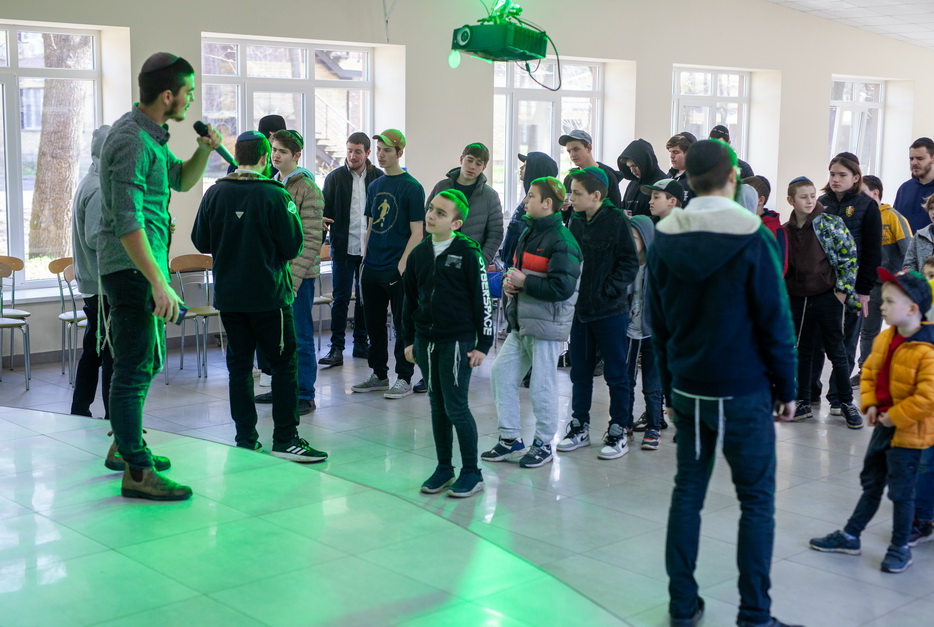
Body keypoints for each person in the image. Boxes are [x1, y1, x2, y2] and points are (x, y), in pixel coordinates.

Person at [646, 140, 798, 627]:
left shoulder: (664, 236)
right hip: (743, 391)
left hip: (689, 390)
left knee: (687, 493)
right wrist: (788, 389)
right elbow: (775, 321)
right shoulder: (754, 236)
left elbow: (658, 325)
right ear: (732, 177)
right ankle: (754, 615)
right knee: (755, 502)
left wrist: (670, 389)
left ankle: (682, 606)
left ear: (689, 181)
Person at [98, 52, 222, 501]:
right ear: (168, 95)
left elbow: (181, 181)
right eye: (188, 91)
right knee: (134, 366)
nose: (191, 98)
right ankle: (136, 469)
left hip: (143, 266)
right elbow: (127, 221)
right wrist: (157, 281)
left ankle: (125, 443)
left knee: (146, 360)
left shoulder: (150, 136)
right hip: (132, 268)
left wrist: (204, 150)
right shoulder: (131, 140)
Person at [192, 130, 327, 463]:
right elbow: (293, 246)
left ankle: (245, 438)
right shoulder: (275, 194)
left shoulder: (214, 193)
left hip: (230, 297)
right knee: (283, 366)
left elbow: (201, 241)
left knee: (239, 367)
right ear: (266, 158)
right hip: (270, 297)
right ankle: (285, 439)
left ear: (237, 156)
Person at [809, 269, 934, 574]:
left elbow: (927, 397)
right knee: (872, 483)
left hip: (910, 434)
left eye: (890, 301)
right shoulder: (886, 337)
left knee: (902, 493)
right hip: (883, 427)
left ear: (912, 309)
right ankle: (851, 535)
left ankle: (900, 547)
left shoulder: (927, 348)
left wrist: (895, 416)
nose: (882, 306)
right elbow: (869, 374)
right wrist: (871, 404)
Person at [482, 176, 582, 468]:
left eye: (531, 196)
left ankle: (543, 443)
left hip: (546, 326)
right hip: (522, 321)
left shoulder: (563, 241)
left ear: (547, 203)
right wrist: (510, 282)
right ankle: (510, 438)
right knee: (501, 373)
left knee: (542, 385)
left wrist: (524, 283)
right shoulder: (529, 231)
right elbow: (517, 269)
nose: (526, 201)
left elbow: (563, 288)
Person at [402, 189, 493, 498]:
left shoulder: (468, 253)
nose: (431, 215)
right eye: (431, 209)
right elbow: (408, 301)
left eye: (440, 213)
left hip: (458, 341)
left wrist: (484, 344)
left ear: (456, 224)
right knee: (437, 405)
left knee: (456, 406)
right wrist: (409, 341)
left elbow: (483, 300)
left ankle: (472, 472)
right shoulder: (419, 254)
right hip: (426, 341)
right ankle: (444, 467)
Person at [556, 167, 638, 460]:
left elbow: (629, 262)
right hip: (581, 310)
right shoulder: (576, 219)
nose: (571, 198)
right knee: (580, 371)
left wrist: (609, 289)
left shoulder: (616, 220)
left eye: (577, 193)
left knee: (616, 374)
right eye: (571, 192)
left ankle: (619, 429)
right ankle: (579, 425)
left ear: (596, 195)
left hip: (610, 311)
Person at [248, 129, 324, 415]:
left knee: (300, 336)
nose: (276, 155)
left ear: (297, 155)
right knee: (276, 337)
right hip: (274, 275)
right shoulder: (271, 184)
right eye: (274, 150)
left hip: (298, 278)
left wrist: (293, 280)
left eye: (282, 151)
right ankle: (282, 388)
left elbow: (312, 240)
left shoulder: (308, 188)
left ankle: (305, 393)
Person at [351, 130, 424, 399]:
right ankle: (379, 374)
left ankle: (404, 377)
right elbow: (371, 226)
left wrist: (401, 266)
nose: (381, 155)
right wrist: (365, 258)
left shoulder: (412, 187)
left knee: (403, 326)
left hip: (396, 269)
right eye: (379, 149)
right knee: (374, 325)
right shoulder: (375, 185)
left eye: (387, 150)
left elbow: (417, 232)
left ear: (399, 153)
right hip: (372, 266)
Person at [783, 176, 861, 427]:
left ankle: (846, 402)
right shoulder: (786, 230)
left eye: (812, 196)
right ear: (791, 200)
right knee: (804, 351)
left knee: (837, 351)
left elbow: (849, 257)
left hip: (828, 296)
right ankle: (803, 401)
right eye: (803, 197)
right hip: (799, 299)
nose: (809, 201)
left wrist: (842, 292)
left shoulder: (830, 223)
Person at [812, 153, 882, 414]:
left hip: (853, 285)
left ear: (855, 178)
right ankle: (810, 392)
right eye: (832, 174)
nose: (836, 179)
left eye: (842, 175)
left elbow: (873, 251)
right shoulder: (820, 203)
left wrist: (864, 290)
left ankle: (838, 397)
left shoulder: (867, 205)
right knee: (816, 340)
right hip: (822, 283)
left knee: (846, 342)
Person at [319, 132, 382, 368]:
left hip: (369, 250)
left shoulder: (378, 177)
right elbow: (325, 214)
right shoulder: (334, 178)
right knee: (341, 299)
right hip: (343, 249)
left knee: (365, 299)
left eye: (357, 151)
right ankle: (336, 348)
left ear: (367, 153)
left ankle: (361, 343)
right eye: (349, 151)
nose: (352, 156)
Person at [71, 124, 113, 422]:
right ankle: (115, 416)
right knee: (111, 352)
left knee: (94, 349)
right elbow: (96, 238)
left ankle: (80, 408)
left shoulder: (91, 180)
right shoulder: (98, 188)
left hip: (94, 283)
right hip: (103, 285)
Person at [855, 175, 912, 384]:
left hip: (893, 285)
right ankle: (865, 371)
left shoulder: (893, 217)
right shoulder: (861, 218)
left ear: (875, 193)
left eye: (862, 193)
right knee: (868, 331)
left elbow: (908, 251)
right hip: (870, 285)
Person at [427, 143, 504, 265]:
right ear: (461, 159)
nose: (472, 166)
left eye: (478, 163)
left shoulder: (490, 196)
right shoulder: (441, 187)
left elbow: (495, 235)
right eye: (470, 160)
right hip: (438, 258)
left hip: (470, 261)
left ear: (484, 167)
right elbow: (427, 221)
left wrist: (480, 262)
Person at [626, 215, 663, 450]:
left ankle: (653, 426)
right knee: (625, 380)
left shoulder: (659, 266)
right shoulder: (626, 265)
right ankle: (624, 423)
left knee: (652, 383)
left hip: (653, 332)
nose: (631, 242)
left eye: (635, 237)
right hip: (629, 330)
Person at [500, 152, 558, 267]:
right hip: (511, 266)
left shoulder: (541, 206)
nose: (521, 168)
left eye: (525, 165)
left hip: (521, 269)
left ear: (534, 171)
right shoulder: (527, 199)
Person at [558, 129, 622, 210]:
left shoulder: (607, 176)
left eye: (576, 149)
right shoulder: (570, 178)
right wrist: (563, 208)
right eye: (569, 151)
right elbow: (568, 213)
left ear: (589, 148)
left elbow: (615, 210)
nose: (572, 154)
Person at [744, 175, 787, 276]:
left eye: (746, 197)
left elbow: (780, 267)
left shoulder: (775, 230)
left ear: (760, 200)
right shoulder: (741, 224)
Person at [893, 137, 934, 233]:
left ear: (932, 158)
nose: (914, 162)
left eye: (920, 158)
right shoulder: (904, 189)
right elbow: (895, 223)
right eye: (911, 159)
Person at [617, 138, 666, 218]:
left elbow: (663, 215)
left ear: (645, 162)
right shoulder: (633, 183)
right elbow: (625, 206)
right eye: (629, 167)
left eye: (635, 166)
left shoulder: (662, 182)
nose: (632, 170)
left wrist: (636, 220)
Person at [902, 194, 934, 274]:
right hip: (923, 281)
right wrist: (917, 279)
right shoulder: (919, 236)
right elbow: (908, 264)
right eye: (931, 208)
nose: (933, 212)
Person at [665, 133, 696, 207]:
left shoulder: (696, 179)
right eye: (670, 152)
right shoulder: (669, 176)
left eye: (676, 152)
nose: (671, 156)